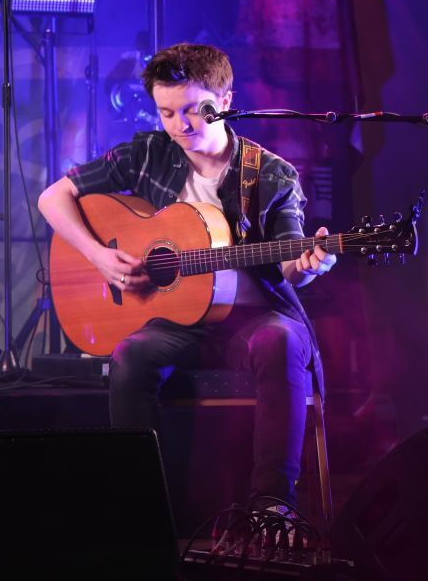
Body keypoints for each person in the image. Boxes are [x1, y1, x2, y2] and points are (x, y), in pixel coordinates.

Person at [38, 42, 335, 509]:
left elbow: (287, 266)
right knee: (130, 355)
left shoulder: (272, 175)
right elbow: (53, 197)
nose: (182, 125)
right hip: (176, 320)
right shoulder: (149, 153)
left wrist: (308, 264)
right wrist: (98, 255)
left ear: (227, 101)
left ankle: (271, 506)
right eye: (167, 112)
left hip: (252, 322)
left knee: (283, 341)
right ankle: (145, 506)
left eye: (196, 110)